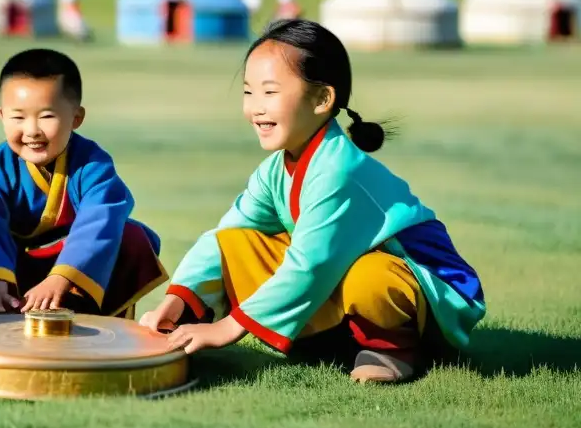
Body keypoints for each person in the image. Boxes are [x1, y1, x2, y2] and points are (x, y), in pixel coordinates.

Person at [140, 19, 485, 383]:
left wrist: (229, 328)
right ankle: (324, 337)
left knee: (370, 275)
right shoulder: (274, 169)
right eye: (248, 92)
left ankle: (391, 347)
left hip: (430, 293)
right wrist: (177, 299)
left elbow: (310, 267)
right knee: (233, 244)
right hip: (340, 284)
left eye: (269, 92)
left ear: (322, 99)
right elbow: (227, 235)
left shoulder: (338, 170)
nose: (256, 108)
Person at [0, 48, 167, 318]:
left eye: (47, 116)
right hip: (16, 268)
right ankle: (2, 302)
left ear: (76, 118)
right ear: (1, 116)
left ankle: (89, 315)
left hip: (77, 274)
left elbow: (101, 220)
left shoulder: (93, 165)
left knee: (130, 236)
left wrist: (61, 278)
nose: (32, 130)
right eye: (18, 117)